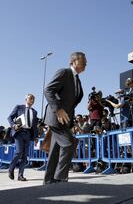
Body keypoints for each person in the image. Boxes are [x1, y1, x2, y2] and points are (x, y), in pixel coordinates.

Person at [43, 51, 86, 184]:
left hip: (65, 120)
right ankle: (60, 179)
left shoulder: (77, 79)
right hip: (57, 117)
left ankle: (49, 180)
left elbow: (72, 103)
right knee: (68, 144)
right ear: (73, 62)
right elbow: (48, 90)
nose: (86, 63)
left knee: (55, 151)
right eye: (82, 60)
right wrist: (58, 110)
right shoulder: (64, 73)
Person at [7, 94, 38, 181]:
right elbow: (9, 117)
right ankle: (11, 168)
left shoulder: (34, 112)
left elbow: (34, 126)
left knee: (25, 156)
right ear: (26, 99)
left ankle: (20, 175)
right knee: (19, 152)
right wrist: (13, 125)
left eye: (33, 99)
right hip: (19, 132)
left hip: (28, 134)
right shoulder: (19, 107)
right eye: (30, 98)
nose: (32, 100)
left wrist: (35, 137)